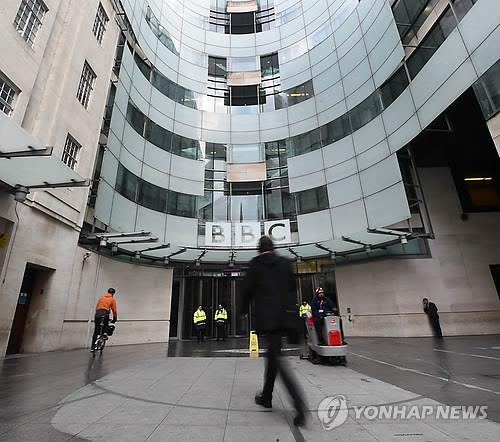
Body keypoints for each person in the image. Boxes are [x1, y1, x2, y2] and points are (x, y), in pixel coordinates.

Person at [242, 235, 307, 427]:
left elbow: (246, 291)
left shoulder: (256, 264)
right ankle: (266, 396)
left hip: (268, 319)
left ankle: (299, 405)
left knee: (276, 358)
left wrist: (243, 310)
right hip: (284, 317)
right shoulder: (284, 263)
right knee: (272, 356)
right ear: (273, 247)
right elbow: (292, 287)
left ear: (259, 249)